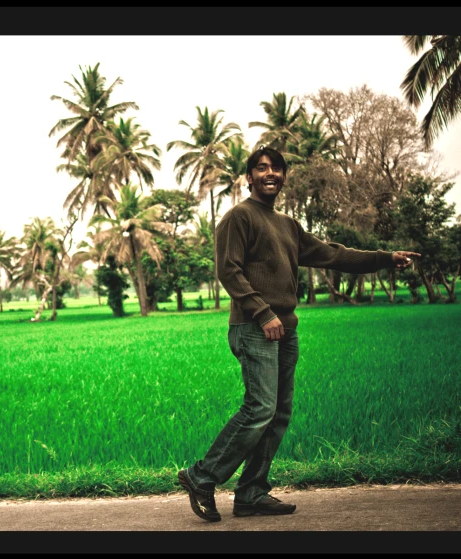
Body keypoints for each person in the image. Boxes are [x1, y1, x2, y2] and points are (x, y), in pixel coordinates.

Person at [178, 146, 421, 522]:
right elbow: (229, 271)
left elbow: (334, 255)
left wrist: (385, 258)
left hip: (285, 330)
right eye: (261, 168)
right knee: (259, 408)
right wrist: (262, 313)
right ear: (249, 177)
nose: (269, 173)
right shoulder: (239, 217)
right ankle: (201, 475)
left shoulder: (288, 225)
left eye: (276, 168)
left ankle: (251, 493)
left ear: (284, 176)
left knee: (278, 414)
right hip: (255, 327)